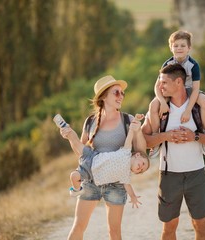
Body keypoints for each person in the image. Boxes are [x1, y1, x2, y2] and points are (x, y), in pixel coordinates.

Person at [141, 64, 205, 240]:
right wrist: (165, 136)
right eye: (159, 82)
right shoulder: (158, 108)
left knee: (201, 227)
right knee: (168, 229)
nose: (160, 87)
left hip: (196, 175)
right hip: (168, 176)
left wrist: (194, 137)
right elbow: (144, 141)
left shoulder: (199, 106)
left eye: (164, 82)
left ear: (179, 82)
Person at [60, 75, 147, 240]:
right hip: (91, 181)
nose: (121, 96)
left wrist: (138, 131)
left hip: (116, 184)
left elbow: (141, 150)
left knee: (114, 233)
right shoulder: (90, 121)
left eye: (122, 93)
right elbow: (82, 152)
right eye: (116, 93)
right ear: (104, 96)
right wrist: (69, 136)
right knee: (78, 227)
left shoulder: (127, 120)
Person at [60, 114, 149, 209]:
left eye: (141, 171)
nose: (141, 168)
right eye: (143, 164)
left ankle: (77, 190)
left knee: (73, 176)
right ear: (138, 155)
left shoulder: (125, 174)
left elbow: (128, 187)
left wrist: (133, 197)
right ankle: (64, 127)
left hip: (89, 172)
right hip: (93, 156)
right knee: (75, 141)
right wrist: (135, 120)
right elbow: (131, 133)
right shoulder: (126, 151)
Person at [148, 30, 205, 157]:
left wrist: (188, 110)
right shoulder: (168, 64)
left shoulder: (193, 65)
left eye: (183, 45)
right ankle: (156, 138)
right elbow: (157, 86)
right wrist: (162, 102)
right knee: (153, 106)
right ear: (171, 48)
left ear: (189, 48)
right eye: (176, 45)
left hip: (188, 89)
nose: (179, 48)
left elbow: (195, 89)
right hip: (169, 90)